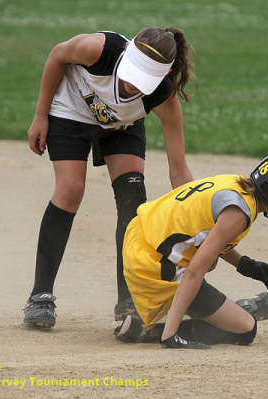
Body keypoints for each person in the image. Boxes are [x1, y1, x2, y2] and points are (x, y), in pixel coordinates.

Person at [23, 27, 197, 328]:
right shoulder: (98, 49)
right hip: (71, 110)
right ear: (126, 53)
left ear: (163, 75)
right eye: (131, 72)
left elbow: (179, 171)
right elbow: (57, 55)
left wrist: (198, 209)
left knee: (133, 198)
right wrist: (40, 115)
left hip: (121, 126)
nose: (132, 84)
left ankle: (128, 300)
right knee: (71, 189)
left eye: (143, 80)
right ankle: (40, 295)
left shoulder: (163, 98)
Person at [114, 150, 268, 349]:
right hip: (155, 265)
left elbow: (202, 232)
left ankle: (225, 311)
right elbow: (193, 273)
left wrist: (245, 264)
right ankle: (155, 331)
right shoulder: (239, 214)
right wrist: (170, 336)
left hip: (139, 240)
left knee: (208, 263)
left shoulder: (237, 184)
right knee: (245, 328)